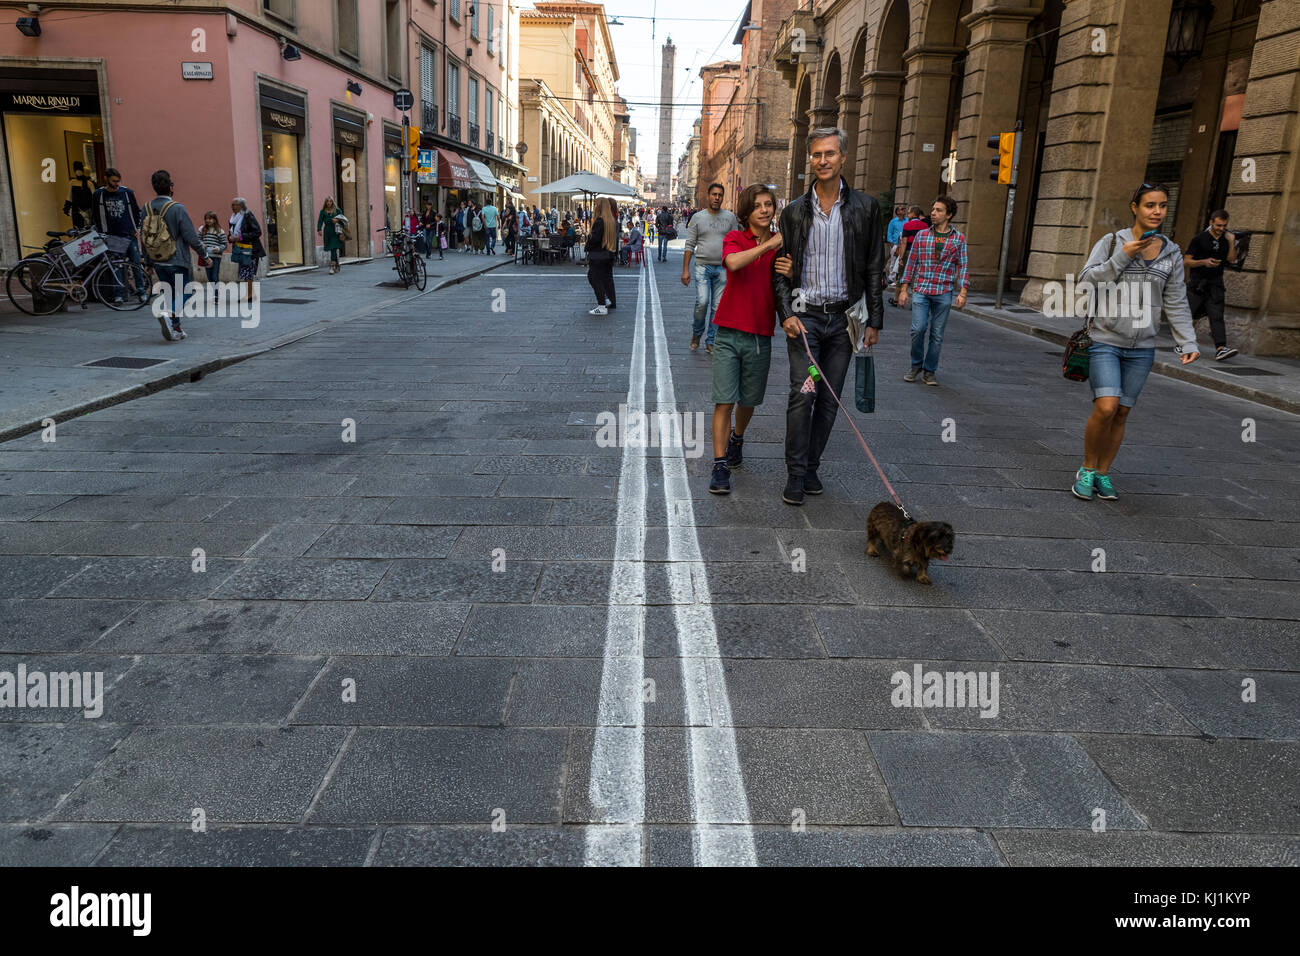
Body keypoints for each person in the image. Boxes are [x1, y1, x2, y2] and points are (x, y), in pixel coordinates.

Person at [771, 127, 885, 506]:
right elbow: (780, 267)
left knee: (830, 399)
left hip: (844, 322)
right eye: (817, 154)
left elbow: (873, 266)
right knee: (803, 394)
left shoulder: (866, 208)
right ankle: (795, 474)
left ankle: (812, 466)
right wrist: (785, 312)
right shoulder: (793, 212)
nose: (823, 160)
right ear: (811, 159)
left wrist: (874, 321)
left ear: (843, 158)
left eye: (830, 154)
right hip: (805, 321)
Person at [1071, 182, 1200, 502]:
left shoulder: (1171, 251)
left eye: (1162, 206)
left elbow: (1176, 300)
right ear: (1135, 207)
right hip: (1105, 340)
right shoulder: (1112, 241)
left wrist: (1187, 341)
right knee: (1106, 406)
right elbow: (1085, 282)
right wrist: (1120, 259)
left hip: (1142, 348)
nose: (1157, 211)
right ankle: (1086, 469)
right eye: (1149, 205)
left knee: (1122, 413)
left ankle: (1103, 473)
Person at [707, 185, 784, 495]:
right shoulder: (735, 238)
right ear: (747, 212)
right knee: (723, 400)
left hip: (760, 335)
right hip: (727, 332)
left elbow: (787, 283)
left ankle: (737, 437)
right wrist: (768, 246)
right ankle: (719, 464)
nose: (764, 210)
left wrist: (789, 265)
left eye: (768, 205)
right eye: (758, 206)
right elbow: (734, 263)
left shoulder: (782, 246)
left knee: (749, 401)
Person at [897, 195, 969, 386]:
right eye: (933, 209)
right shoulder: (922, 235)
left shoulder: (958, 238)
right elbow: (911, 263)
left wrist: (963, 292)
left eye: (939, 210)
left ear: (949, 215)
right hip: (921, 289)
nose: (933, 213)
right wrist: (904, 289)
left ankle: (929, 371)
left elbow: (963, 266)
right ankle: (915, 365)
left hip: (944, 291)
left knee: (937, 335)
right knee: (918, 329)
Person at [141, 169, 211, 342]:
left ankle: (176, 328)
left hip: (158, 260)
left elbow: (144, 237)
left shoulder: (146, 208)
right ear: (171, 186)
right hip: (177, 258)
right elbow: (191, 237)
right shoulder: (177, 208)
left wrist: (147, 261)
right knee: (189, 290)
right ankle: (169, 314)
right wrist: (205, 255)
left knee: (170, 294)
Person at [682, 182, 741, 354]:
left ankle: (711, 341)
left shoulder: (730, 218)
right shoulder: (698, 218)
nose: (717, 198)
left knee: (717, 307)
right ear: (708, 196)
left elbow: (735, 243)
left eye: (720, 195)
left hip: (723, 268)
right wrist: (685, 269)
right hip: (702, 266)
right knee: (702, 302)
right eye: (714, 194)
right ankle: (696, 333)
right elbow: (689, 244)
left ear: (722, 197)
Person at [1184, 210, 1238, 361]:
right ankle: (1184, 343)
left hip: (1215, 284)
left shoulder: (1226, 239)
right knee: (1188, 315)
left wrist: (1232, 241)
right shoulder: (1199, 239)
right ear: (1211, 222)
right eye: (1218, 225)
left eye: (1224, 225)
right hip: (1197, 283)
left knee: (1217, 316)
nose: (1221, 228)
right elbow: (1186, 261)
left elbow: (1232, 260)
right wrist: (1203, 262)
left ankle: (1221, 348)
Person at [90, 167, 146, 303]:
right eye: (114, 181)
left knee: (136, 264)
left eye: (118, 181)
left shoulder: (126, 193)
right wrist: (100, 232)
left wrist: (137, 228)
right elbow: (95, 215)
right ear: (106, 179)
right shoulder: (99, 194)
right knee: (117, 267)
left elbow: (136, 211)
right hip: (112, 236)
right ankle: (119, 294)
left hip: (129, 234)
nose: (116, 184)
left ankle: (141, 292)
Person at [228, 196, 264, 307]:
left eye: (234, 205)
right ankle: (249, 294)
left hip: (250, 248)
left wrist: (240, 237)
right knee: (244, 272)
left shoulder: (247, 215)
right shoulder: (233, 218)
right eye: (232, 205)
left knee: (248, 272)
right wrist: (230, 237)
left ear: (241, 206)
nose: (232, 207)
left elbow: (257, 232)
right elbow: (232, 231)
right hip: (240, 248)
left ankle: (249, 295)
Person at [585, 196, 619, 314]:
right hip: (608, 254)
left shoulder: (600, 221)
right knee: (606, 278)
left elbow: (595, 239)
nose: (594, 207)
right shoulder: (612, 221)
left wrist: (588, 241)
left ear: (599, 206)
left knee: (594, 278)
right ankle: (609, 300)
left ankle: (601, 305)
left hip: (597, 255)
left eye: (595, 205)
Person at [890, 205, 928, 306]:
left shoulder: (907, 225)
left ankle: (896, 299)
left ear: (913, 214)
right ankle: (914, 302)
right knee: (917, 277)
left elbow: (904, 242)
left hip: (908, 252)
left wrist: (901, 257)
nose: (908, 214)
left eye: (909, 212)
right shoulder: (925, 226)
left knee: (902, 275)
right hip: (920, 252)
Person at [63, 161, 94, 230]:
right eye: (76, 170)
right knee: (78, 230)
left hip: (88, 210)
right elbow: (69, 196)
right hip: (76, 210)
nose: (78, 172)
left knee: (88, 230)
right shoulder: (72, 182)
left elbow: (94, 198)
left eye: (79, 170)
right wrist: (67, 207)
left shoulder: (89, 183)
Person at [317, 197, 344, 275]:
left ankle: (332, 267)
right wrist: (319, 229)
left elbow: (344, 220)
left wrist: (338, 220)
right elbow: (320, 221)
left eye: (330, 201)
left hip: (336, 231)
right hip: (327, 231)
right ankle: (337, 263)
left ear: (333, 202)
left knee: (333, 248)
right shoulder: (323, 211)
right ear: (325, 202)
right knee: (332, 249)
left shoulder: (337, 210)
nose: (329, 203)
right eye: (327, 201)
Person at [198, 212, 227, 284]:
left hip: (216, 257)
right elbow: (198, 239)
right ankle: (215, 291)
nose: (207, 220)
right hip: (206, 256)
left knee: (215, 276)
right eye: (206, 219)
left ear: (215, 220)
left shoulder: (220, 231)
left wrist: (219, 248)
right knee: (209, 276)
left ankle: (216, 294)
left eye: (210, 219)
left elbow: (224, 244)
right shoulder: (202, 229)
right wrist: (201, 243)